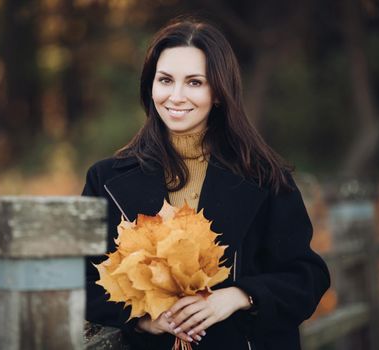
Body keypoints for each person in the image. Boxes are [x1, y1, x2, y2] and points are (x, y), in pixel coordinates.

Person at [82, 17, 330, 350]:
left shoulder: (264, 177)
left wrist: (238, 296)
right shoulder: (106, 179)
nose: (176, 96)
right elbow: (80, 282)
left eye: (195, 82)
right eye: (166, 80)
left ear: (218, 92)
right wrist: (142, 318)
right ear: (150, 86)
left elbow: (307, 278)